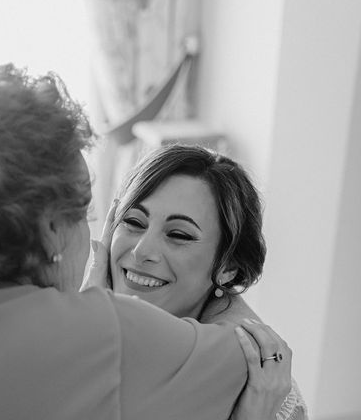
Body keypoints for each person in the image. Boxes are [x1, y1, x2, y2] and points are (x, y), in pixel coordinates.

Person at [0, 65, 274, 420]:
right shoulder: (109, 335)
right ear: (50, 228)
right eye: (84, 211)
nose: (98, 234)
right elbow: (266, 358)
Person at [83, 144, 307, 419]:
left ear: (228, 268)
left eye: (179, 234)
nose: (142, 251)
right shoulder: (65, 317)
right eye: (133, 221)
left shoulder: (261, 382)